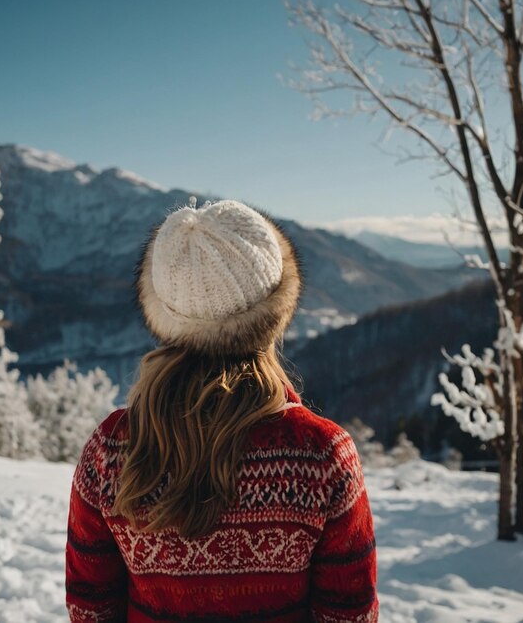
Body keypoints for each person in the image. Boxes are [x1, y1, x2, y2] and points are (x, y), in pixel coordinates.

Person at [65, 199, 379, 622]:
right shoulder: (322, 455)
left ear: (164, 312)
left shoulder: (111, 450)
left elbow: (89, 609)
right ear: (274, 314)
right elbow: (350, 616)